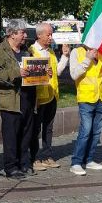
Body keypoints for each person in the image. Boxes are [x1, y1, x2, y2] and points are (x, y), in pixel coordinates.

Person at [0, 22, 35, 179]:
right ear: (12, 34)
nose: (25, 36)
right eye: (22, 32)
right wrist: (17, 72)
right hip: (10, 99)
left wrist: (43, 72)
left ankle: (24, 163)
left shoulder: (26, 51)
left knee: (26, 133)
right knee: (11, 135)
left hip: (27, 97)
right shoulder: (0, 50)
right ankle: (11, 167)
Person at [68, 45, 102, 175]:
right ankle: (76, 162)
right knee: (85, 130)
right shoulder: (77, 52)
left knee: (96, 132)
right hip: (86, 97)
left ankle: (89, 159)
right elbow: (74, 75)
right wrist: (87, 59)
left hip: (100, 97)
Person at [30, 22, 68, 171]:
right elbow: (29, 74)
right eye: (48, 34)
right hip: (38, 97)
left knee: (48, 128)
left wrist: (65, 56)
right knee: (35, 129)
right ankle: (34, 158)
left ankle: (47, 155)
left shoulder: (51, 51)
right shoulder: (32, 50)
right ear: (39, 35)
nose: (51, 37)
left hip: (52, 95)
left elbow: (57, 71)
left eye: (51, 34)